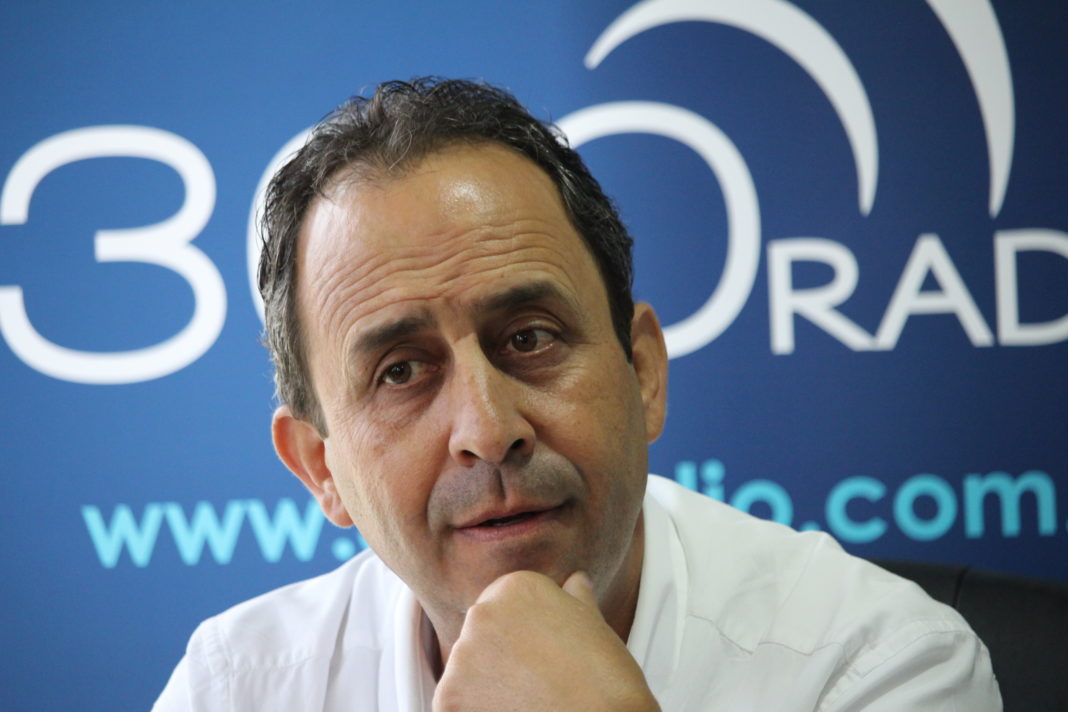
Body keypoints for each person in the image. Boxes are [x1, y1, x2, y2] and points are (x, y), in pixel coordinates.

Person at [154, 77, 1000, 711]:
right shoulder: (238, 687)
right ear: (320, 467)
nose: (488, 430)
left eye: (529, 339)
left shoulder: (876, 668)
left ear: (643, 374)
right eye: (401, 372)